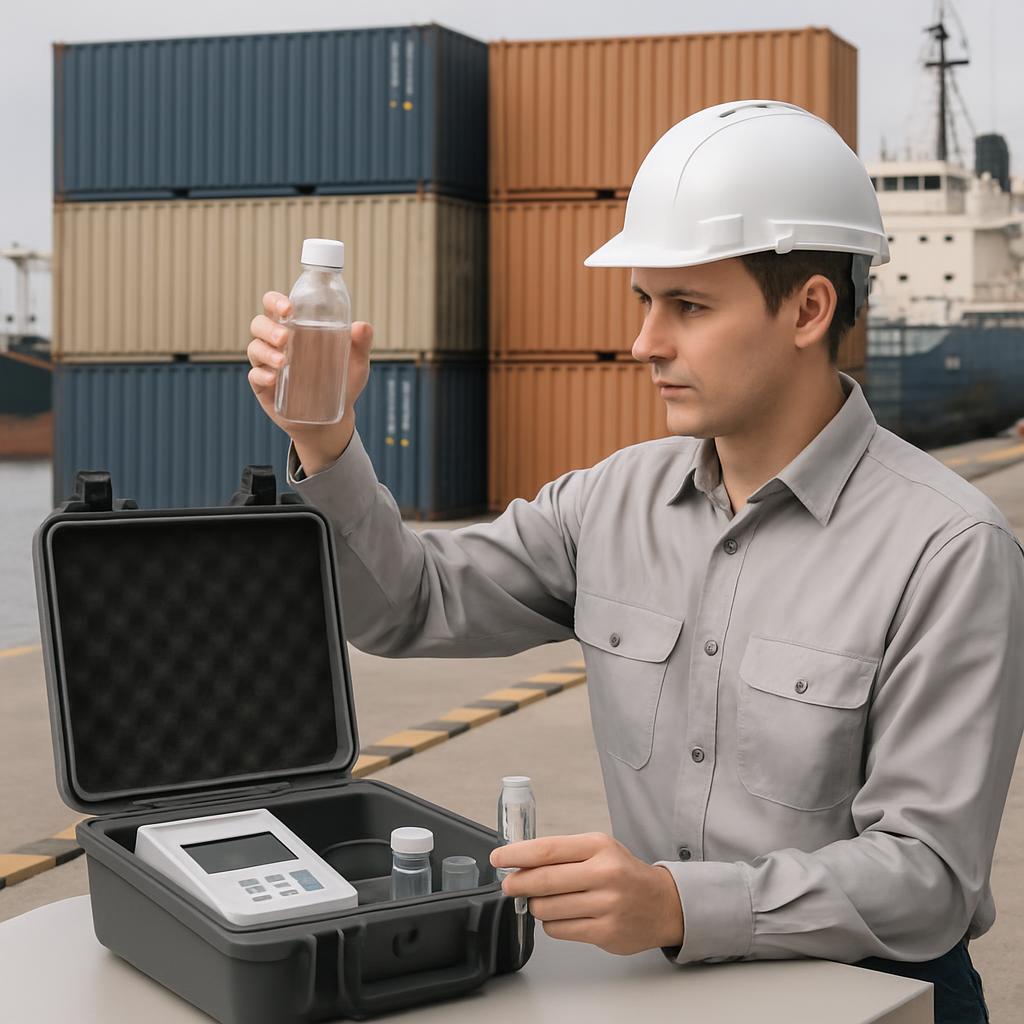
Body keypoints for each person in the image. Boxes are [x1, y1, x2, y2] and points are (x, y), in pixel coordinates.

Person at [248, 100, 1021, 1023]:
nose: (646, 342)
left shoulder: (949, 549)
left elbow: (928, 876)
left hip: (880, 1001)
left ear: (810, 308)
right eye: (645, 302)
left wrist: (675, 904)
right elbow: (406, 607)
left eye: (688, 306)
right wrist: (326, 441)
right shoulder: (607, 503)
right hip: (668, 989)